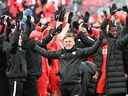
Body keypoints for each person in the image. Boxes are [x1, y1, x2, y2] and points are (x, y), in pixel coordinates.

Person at [33, 31, 103, 96]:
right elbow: (46, 53)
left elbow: (92, 49)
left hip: (75, 85)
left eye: (70, 41)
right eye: (66, 41)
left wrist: (99, 40)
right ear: (63, 43)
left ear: (73, 43)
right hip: (63, 85)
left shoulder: (79, 52)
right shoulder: (60, 53)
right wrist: (34, 46)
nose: (68, 43)